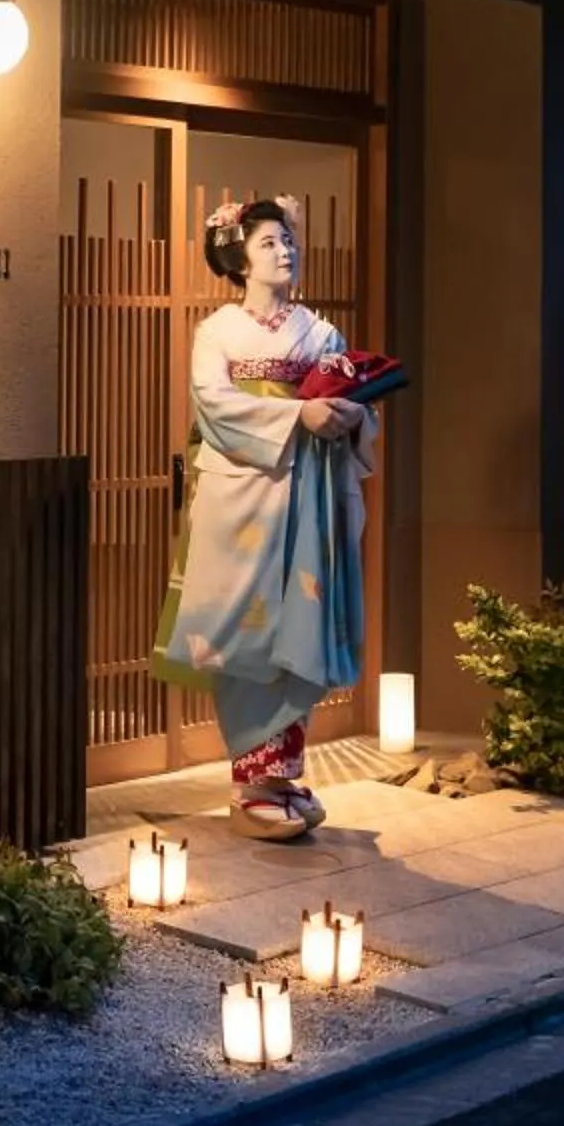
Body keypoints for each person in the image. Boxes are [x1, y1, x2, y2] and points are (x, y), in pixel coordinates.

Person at [152, 195, 376, 841]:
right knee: (247, 626)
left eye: (288, 241)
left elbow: (355, 400)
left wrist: (354, 416)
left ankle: (282, 776)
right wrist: (297, 414)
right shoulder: (218, 331)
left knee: (302, 620)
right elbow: (214, 406)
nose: (285, 252)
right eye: (269, 243)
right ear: (239, 259)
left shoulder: (321, 334)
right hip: (242, 500)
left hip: (308, 494)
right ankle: (251, 782)